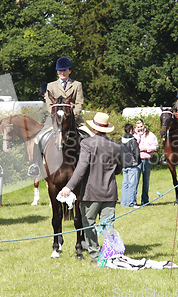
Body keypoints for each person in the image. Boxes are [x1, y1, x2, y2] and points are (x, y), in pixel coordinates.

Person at [59, 112, 122, 263]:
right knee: (108, 226)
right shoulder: (115, 146)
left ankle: (95, 256)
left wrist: (68, 186)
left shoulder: (87, 144)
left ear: (93, 129)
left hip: (91, 193)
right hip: (110, 193)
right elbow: (119, 169)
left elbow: (81, 167)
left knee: (89, 225)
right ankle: (109, 255)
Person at [28, 56, 90, 176]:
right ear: (57, 71)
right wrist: (56, 118)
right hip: (55, 120)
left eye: (64, 70)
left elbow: (79, 103)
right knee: (38, 137)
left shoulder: (77, 85)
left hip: (73, 120)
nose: (62, 73)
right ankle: (35, 165)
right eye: (60, 70)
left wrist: (72, 118)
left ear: (69, 71)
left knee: (91, 136)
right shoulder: (51, 86)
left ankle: (94, 164)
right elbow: (49, 105)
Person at [133, 119, 159, 205]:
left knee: (146, 181)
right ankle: (133, 200)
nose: (140, 128)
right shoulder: (134, 135)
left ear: (144, 125)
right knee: (135, 180)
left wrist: (146, 149)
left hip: (147, 159)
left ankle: (145, 200)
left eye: (141, 126)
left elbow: (155, 146)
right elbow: (134, 145)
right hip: (137, 160)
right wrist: (138, 135)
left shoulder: (150, 135)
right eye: (138, 127)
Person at [120, 123, 141, 207]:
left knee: (125, 184)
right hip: (132, 165)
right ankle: (131, 203)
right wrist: (138, 162)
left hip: (124, 165)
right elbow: (137, 153)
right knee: (132, 184)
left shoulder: (121, 140)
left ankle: (124, 203)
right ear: (131, 130)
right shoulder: (133, 140)